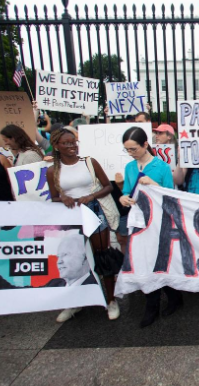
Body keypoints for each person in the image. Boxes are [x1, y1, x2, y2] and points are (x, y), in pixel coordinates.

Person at [46, 127, 122, 322]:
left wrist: (91, 196)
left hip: (93, 212)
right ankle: (74, 303)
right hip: (70, 217)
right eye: (67, 143)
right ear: (56, 146)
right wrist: (62, 198)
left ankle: (111, 300)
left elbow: (108, 186)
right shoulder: (52, 171)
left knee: (102, 255)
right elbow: (53, 197)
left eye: (74, 142)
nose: (72, 146)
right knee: (76, 260)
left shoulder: (89, 162)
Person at [119, 126, 182, 328]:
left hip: (158, 221)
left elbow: (170, 194)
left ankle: (172, 297)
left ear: (145, 145)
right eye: (127, 150)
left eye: (134, 149)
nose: (131, 153)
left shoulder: (161, 167)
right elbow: (128, 190)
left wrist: (153, 184)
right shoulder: (130, 167)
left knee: (159, 261)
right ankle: (153, 304)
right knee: (143, 261)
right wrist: (123, 197)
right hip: (138, 221)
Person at [153, 123, 187, 187]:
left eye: (160, 133)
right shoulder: (152, 152)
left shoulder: (178, 152)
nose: (156, 136)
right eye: (156, 133)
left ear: (169, 136)